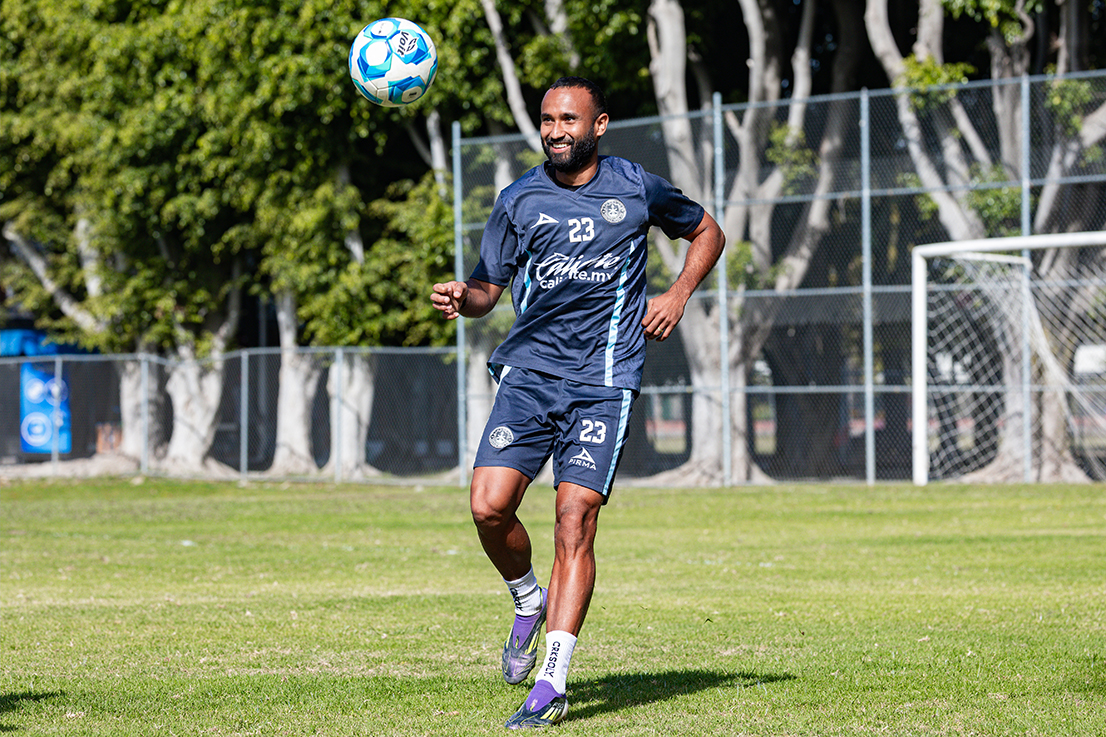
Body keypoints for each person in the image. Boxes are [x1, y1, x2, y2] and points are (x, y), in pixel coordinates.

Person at [431, 76, 725, 729]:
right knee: (487, 507)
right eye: (547, 119)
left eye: (569, 119)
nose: (556, 129)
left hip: (604, 378)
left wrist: (676, 294)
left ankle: (552, 679)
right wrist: (463, 297)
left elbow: (708, 232)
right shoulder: (518, 200)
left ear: (598, 126)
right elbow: (487, 286)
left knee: (575, 521)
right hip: (530, 374)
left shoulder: (635, 186)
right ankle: (526, 596)